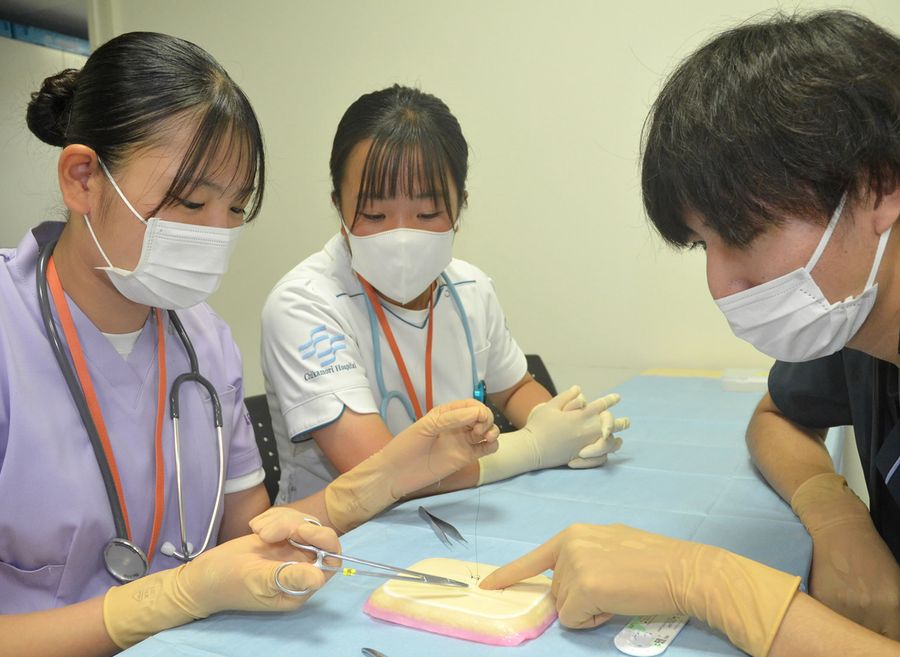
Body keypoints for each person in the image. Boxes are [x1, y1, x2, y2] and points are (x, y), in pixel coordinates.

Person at [0, 32, 500, 657]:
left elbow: (250, 533)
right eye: (191, 200)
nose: (218, 233)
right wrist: (171, 597)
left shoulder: (203, 343)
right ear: (83, 180)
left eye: (236, 207)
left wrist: (390, 475)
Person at [484, 10, 900, 657]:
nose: (718, 282)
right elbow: (777, 415)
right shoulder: (861, 329)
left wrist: (710, 583)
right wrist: (836, 515)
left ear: (879, 185)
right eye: (702, 243)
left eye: (738, 233)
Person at [261, 84, 628, 503]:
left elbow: (513, 387)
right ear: (338, 206)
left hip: (458, 510)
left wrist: (567, 426)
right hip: (340, 541)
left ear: (460, 206)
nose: (401, 236)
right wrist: (534, 447)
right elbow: (377, 472)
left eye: (427, 213)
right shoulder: (304, 304)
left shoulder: (469, 286)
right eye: (375, 214)